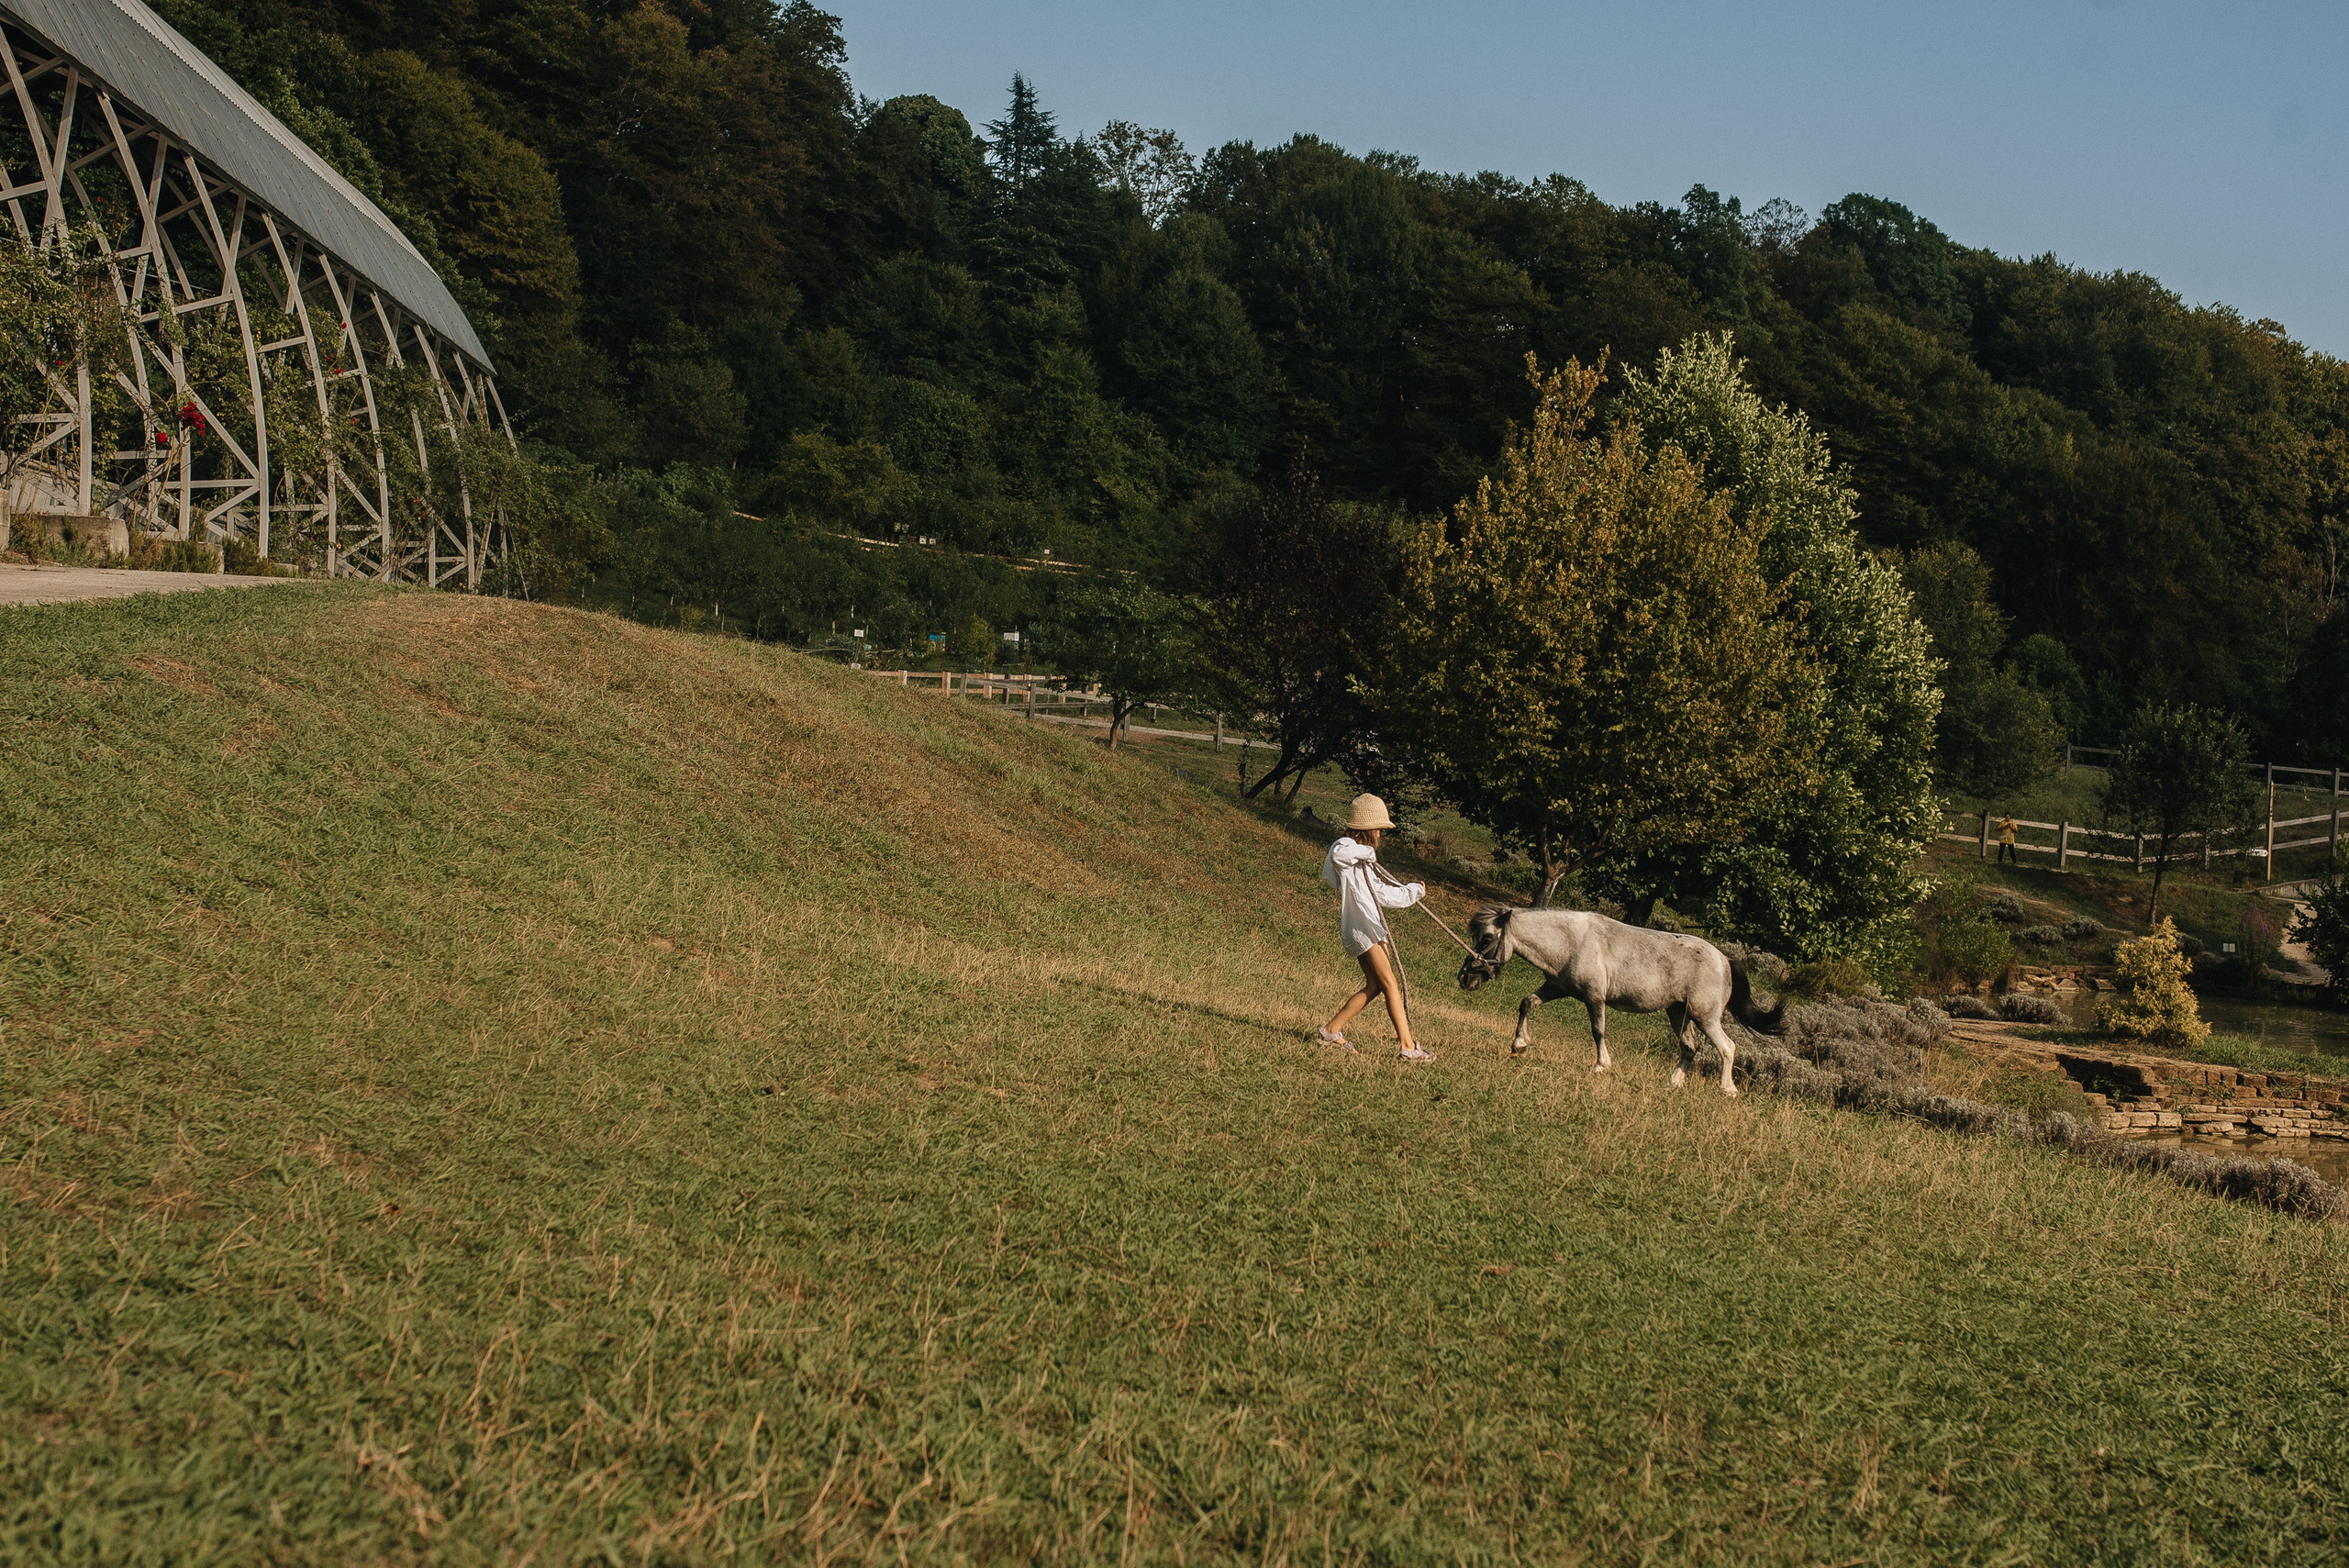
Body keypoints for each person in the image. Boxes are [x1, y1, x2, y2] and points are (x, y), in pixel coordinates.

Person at [1316, 794, 1434, 1062]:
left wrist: (1412, 892)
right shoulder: (1347, 847)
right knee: (1391, 984)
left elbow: (1380, 893)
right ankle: (1408, 1046)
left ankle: (1331, 1031)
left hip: (1368, 926)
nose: (1381, 833)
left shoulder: (1363, 862)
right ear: (1369, 829)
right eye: (1379, 828)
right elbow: (1339, 853)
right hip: (1362, 928)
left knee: (1376, 985)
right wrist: (1367, 852)